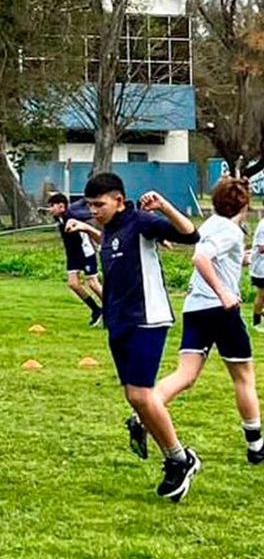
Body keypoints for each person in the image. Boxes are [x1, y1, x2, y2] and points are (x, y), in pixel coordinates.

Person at [71, 172, 203, 501]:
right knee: (134, 397)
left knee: (142, 396)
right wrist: (88, 227)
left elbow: (191, 235)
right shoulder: (111, 227)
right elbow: (115, 248)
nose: (94, 210)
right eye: (89, 206)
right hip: (119, 322)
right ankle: (174, 458)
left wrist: (164, 206)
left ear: (119, 200)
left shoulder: (142, 220)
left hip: (148, 319)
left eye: (98, 205)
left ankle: (180, 459)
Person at [149, 178, 262, 466]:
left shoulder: (211, 225)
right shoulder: (231, 231)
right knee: (244, 377)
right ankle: (256, 446)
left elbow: (214, 254)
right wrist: (224, 293)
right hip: (220, 311)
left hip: (194, 308)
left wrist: (244, 259)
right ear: (245, 205)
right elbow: (201, 258)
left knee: (185, 375)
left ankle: (143, 413)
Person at [48, 192, 104, 326]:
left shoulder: (72, 215)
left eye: (52, 206)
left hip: (85, 253)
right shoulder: (59, 218)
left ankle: (115, 309)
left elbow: (86, 215)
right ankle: (96, 310)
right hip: (72, 255)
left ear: (62, 206)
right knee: (73, 284)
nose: (50, 209)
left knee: (93, 284)